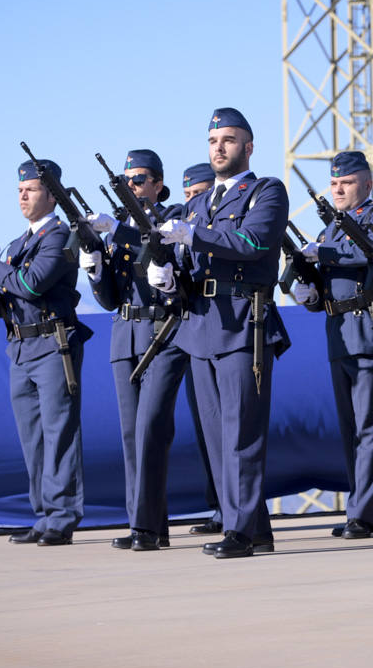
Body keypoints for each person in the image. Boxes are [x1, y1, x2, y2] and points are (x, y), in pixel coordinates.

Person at [156, 107, 291, 558]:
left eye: (229, 140)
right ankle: (255, 527)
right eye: (213, 141)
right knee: (216, 436)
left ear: (248, 147)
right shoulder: (197, 204)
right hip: (200, 324)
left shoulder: (266, 192)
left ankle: (241, 532)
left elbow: (253, 243)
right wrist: (165, 273)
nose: (219, 148)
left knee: (242, 433)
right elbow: (187, 264)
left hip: (242, 321)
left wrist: (192, 236)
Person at [0, 159, 90, 546]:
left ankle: (63, 516)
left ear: (52, 194)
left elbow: (33, 284)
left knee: (59, 433)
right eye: (20, 189)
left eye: (32, 189)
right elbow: (12, 299)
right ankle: (43, 514)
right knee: (33, 439)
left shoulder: (59, 236)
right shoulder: (18, 244)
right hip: (21, 347)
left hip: (54, 345)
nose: (23, 195)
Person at [291, 151, 373, 538]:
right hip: (340, 336)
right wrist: (306, 290)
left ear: (366, 184)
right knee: (353, 429)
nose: (338, 189)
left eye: (347, 182)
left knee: (371, 427)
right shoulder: (330, 231)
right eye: (334, 183)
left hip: (372, 335)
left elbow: (370, 252)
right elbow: (327, 289)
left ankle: (363, 515)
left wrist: (322, 253)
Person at [84, 150, 187, 551]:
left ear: (159, 185)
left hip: (163, 333)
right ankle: (146, 524)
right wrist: (94, 263)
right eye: (128, 180)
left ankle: (144, 527)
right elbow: (110, 298)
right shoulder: (120, 228)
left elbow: (165, 247)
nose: (133, 186)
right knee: (131, 434)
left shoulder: (173, 216)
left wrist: (119, 231)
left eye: (141, 179)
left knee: (151, 429)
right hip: (124, 333)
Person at [180, 162, 224, 533]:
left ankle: (239, 513)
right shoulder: (189, 217)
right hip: (195, 327)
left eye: (199, 193)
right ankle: (222, 506)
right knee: (206, 426)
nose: (194, 201)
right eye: (189, 196)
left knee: (233, 427)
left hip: (230, 323)